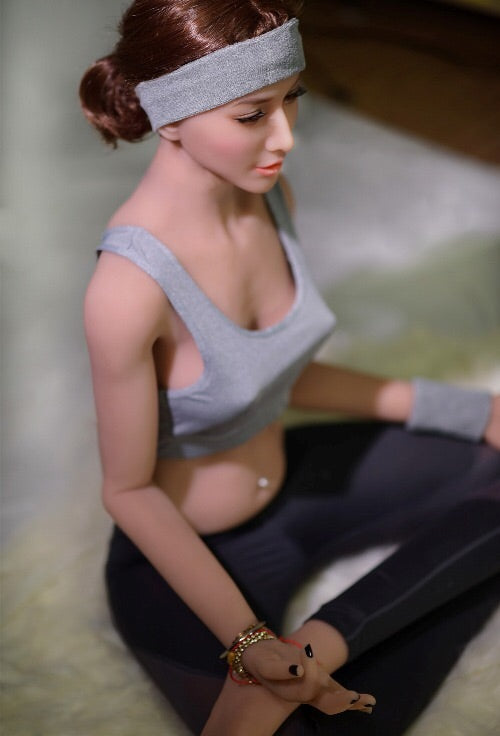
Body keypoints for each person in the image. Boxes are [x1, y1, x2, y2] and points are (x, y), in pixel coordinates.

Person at [79, 1, 500, 734]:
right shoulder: (127, 292)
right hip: (194, 553)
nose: (285, 137)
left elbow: (277, 375)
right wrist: (248, 643)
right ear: (170, 118)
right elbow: (129, 491)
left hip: (299, 483)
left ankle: (330, 637)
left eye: (291, 99)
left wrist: (474, 410)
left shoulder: (269, 195)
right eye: (252, 114)